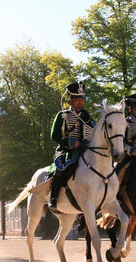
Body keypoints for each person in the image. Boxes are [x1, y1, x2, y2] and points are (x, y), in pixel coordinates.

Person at [49, 81, 95, 209]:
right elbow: (55, 135)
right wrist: (72, 143)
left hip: (85, 149)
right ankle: (54, 197)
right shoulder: (62, 115)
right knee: (61, 167)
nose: (80, 102)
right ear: (70, 101)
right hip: (66, 150)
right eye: (77, 100)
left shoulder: (87, 116)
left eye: (81, 100)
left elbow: (95, 130)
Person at [116, 93, 136, 179]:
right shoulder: (125, 123)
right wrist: (131, 150)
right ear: (130, 110)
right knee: (117, 172)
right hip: (128, 156)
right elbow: (119, 142)